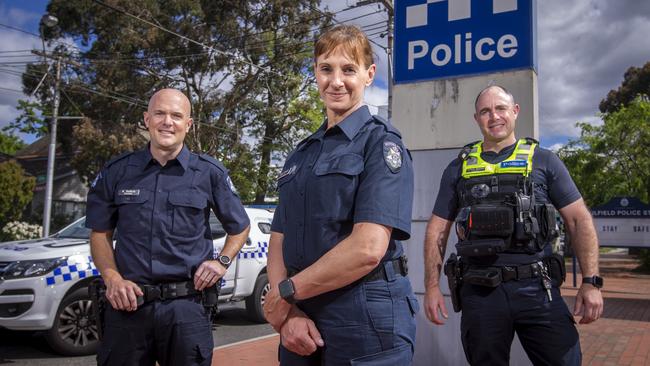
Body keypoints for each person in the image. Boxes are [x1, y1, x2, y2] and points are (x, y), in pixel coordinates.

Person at [263, 25, 418, 365]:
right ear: (315, 74)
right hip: (301, 317)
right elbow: (279, 236)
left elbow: (367, 248)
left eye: (348, 69)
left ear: (369, 75)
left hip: (364, 316)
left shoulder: (381, 143)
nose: (336, 81)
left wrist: (287, 292)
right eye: (326, 68)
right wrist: (287, 310)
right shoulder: (301, 154)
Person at [423, 85, 604, 365]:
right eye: (485, 111)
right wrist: (432, 287)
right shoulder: (458, 168)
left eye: (500, 108)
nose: (494, 116)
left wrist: (591, 282)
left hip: (537, 288)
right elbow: (437, 230)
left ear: (515, 111)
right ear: (476, 118)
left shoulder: (545, 161)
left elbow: (579, 220)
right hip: (480, 292)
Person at [85, 88, 251, 365]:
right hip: (128, 305)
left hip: (186, 310)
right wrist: (112, 278)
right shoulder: (117, 172)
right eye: (160, 113)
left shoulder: (209, 173)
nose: (167, 122)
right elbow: (100, 233)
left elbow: (240, 227)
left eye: (176, 115)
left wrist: (221, 262)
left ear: (188, 124)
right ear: (146, 119)